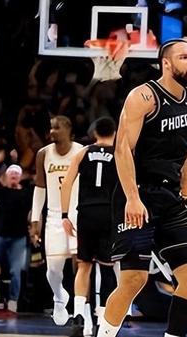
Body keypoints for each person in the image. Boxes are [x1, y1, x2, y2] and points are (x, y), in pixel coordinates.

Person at [97, 38, 187, 337]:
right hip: (139, 193)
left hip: (170, 198)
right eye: (184, 57)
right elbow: (122, 150)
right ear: (166, 63)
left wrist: (186, 191)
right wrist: (132, 198)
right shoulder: (144, 96)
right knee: (134, 279)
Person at [61, 117, 118, 337]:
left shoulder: (83, 153)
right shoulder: (119, 154)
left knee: (83, 265)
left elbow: (66, 183)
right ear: (114, 133)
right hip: (108, 214)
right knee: (107, 267)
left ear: (94, 133)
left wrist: (64, 215)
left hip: (86, 213)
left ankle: (78, 314)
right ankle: (103, 321)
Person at [31, 116, 83, 326]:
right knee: (53, 269)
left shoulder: (81, 152)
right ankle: (60, 297)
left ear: (68, 129)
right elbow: (39, 187)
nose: (52, 131)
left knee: (80, 264)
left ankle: (80, 310)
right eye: (51, 127)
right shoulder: (43, 154)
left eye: (57, 127)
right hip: (54, 216)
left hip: (77, 214)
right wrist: (35, 218)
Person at [0, 164, 31, 313]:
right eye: (11, 173)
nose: (14, 175)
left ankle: (13, 300)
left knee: (15, 270)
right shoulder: (1, 191)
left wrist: (34, 229)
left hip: (19, 237)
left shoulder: (27, 193)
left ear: (20, 176)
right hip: (0, 234)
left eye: (16, 173)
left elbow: (33, 212)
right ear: (6, 176)